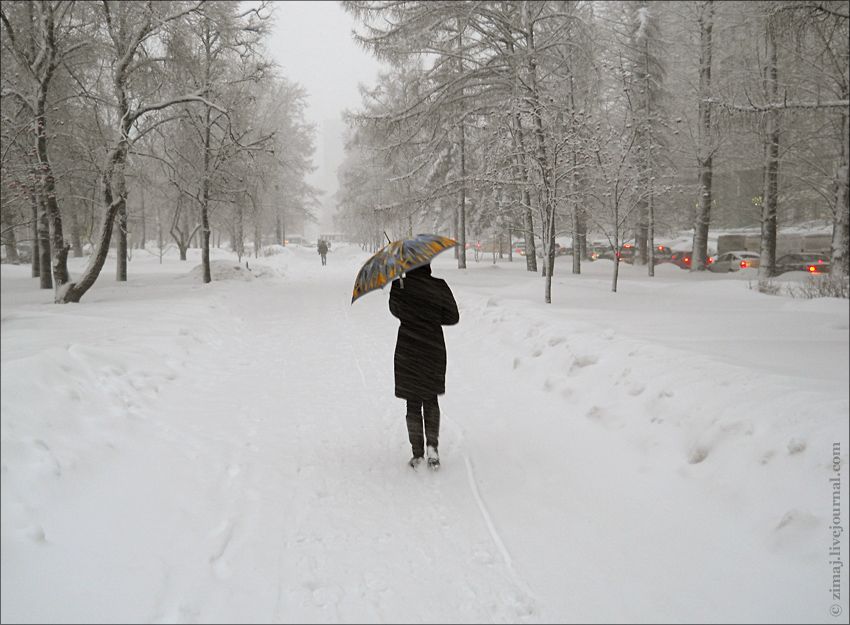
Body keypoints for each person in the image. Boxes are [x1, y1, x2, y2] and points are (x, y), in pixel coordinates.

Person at [388, 263, 459, 469]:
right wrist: (432, 318)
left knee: (412, 401)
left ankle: (417, 452)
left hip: (408, 348)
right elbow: (453, 317)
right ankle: (433, 447)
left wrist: (403, 289)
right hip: (433, 347)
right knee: (430, 399)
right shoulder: (439, 285)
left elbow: (395, 311)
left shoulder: (399, 285)